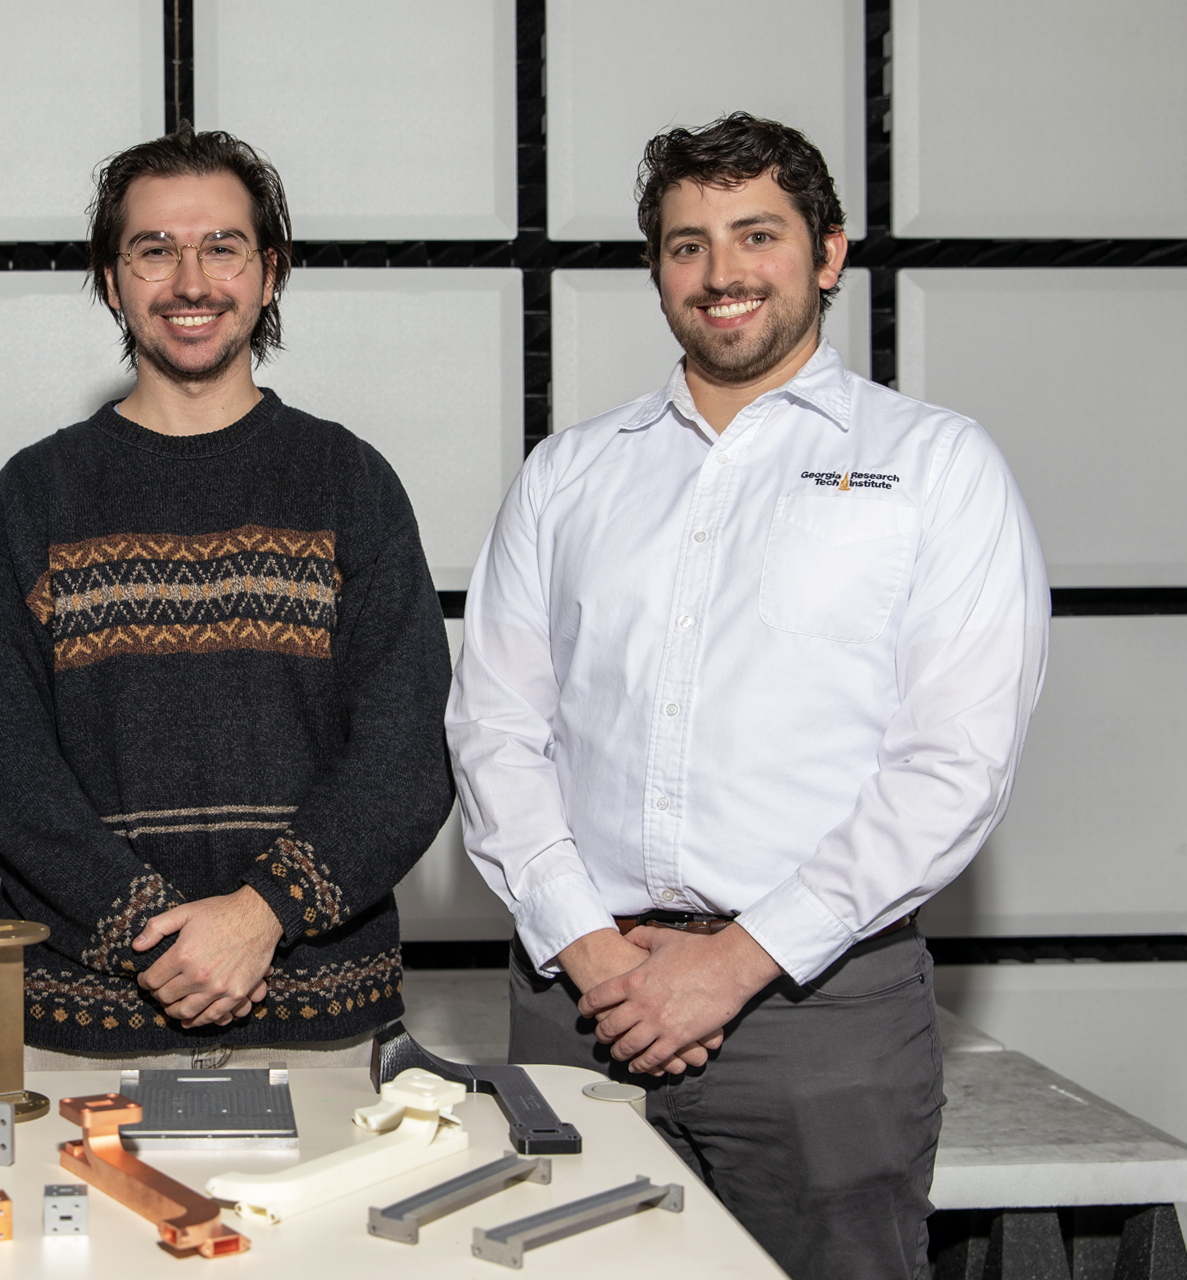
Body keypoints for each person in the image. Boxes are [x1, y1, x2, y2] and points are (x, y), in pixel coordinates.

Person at [445, 113, 1048, 1280]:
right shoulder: (570, 474)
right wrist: (590, 949)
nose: (720, 274)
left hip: (821, 1020)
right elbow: (496, 731)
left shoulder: (938, 467)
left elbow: (949, 767)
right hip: (580, 1001)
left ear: (827, 252)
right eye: (686, 245)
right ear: (656, 270)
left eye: (755, 235)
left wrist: (734, 960)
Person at [0, 127, 454, 1069]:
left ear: (270, 273)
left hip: (320, 1017)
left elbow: (407, 752)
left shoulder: (350, 483)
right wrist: (156, 930)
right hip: (81, 1025)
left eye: (222, 247)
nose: (191, 281)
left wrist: (262, 916)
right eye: (154, 250)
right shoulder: (33, 496)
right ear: (111, 279)